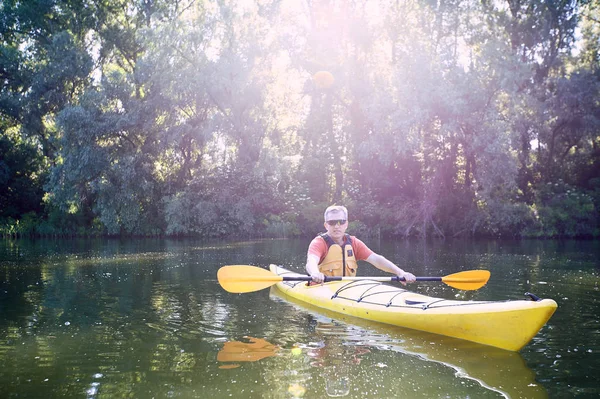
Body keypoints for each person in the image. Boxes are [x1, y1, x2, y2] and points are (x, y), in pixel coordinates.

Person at [306, 205, 417, 284]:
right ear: (326, 225)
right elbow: (311, 261)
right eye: (332, 222)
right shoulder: (319, 243)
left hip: (348, 288)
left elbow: (377, 259)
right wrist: (315, 273)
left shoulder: (353, 242)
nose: (336, 226)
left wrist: (400, 272)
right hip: (322, 287)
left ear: (346, 224)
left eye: (341, 222)